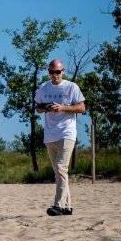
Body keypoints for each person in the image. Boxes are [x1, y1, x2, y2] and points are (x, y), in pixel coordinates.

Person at [35, 59, 86, 216]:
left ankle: (57, 205)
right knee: (59, 172)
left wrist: (62, 107)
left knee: (60, 168)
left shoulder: (71, 87)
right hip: (50, 135)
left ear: (63, 71)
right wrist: (47, 107)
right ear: (48, 72)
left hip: (67, 133)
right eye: (51, 72)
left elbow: (82, 107)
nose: (54, 75)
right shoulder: (43, 88)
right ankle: (67, 206)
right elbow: (38, 108)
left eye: (57, 72)